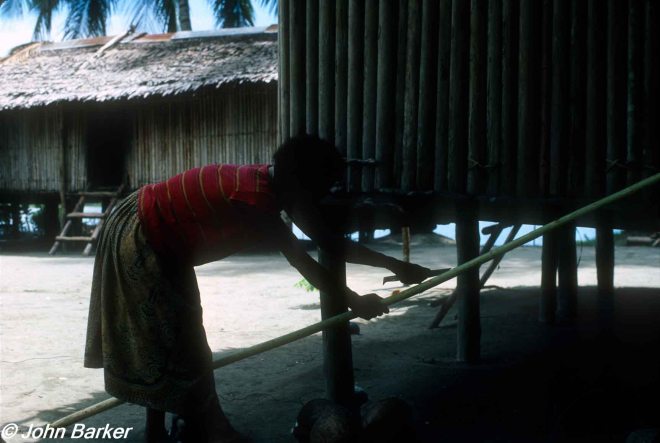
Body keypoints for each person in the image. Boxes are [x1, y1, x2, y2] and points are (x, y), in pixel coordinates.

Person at [84, 134, 432, 442]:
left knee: (175, 334)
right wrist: (355, 301)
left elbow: (329, 242)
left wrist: (396, 265)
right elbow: (304, 263)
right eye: (321, 189)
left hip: (163, 237)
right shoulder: (255, 200)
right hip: (141, 231)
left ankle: (177, 428)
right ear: (301, 185)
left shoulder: (276, 184)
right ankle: (206, 431)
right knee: (173, 338)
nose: (323, 197)